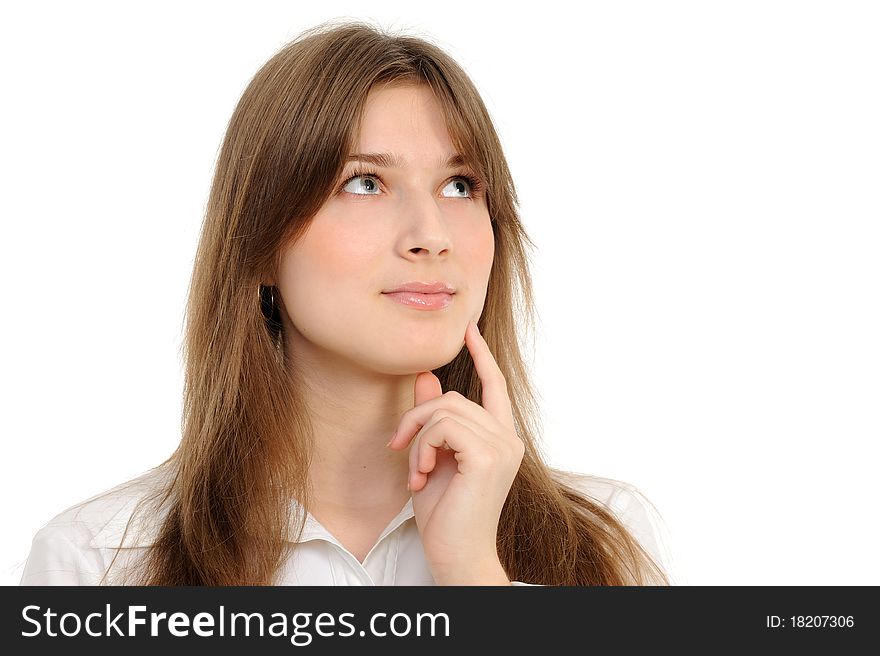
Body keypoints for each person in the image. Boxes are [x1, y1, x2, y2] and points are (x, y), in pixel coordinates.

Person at [20, 19, 675, 586]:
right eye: (365, 182)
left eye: (460, 184)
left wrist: (474, 574)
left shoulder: (603, 547)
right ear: (260, 243)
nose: (431, 236)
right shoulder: (101, 562)